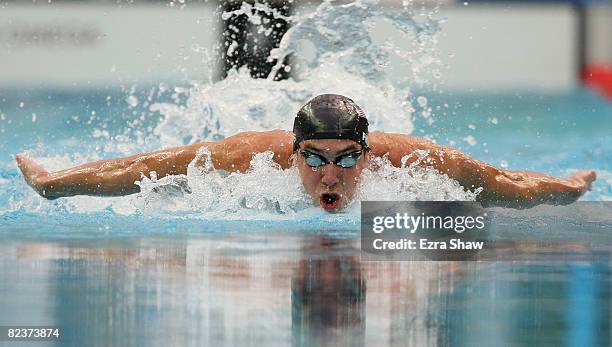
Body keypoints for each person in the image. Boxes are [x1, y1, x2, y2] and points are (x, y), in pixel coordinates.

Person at [15, 94, 596, 211]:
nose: (331, 174)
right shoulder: (247, 158)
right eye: (314, 159)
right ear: (292, 155)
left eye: (347, 159)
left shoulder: (413, 162)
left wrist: (563, 191)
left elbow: (503, 182)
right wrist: (58, 183)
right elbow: (141, 168)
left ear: (368, 156)